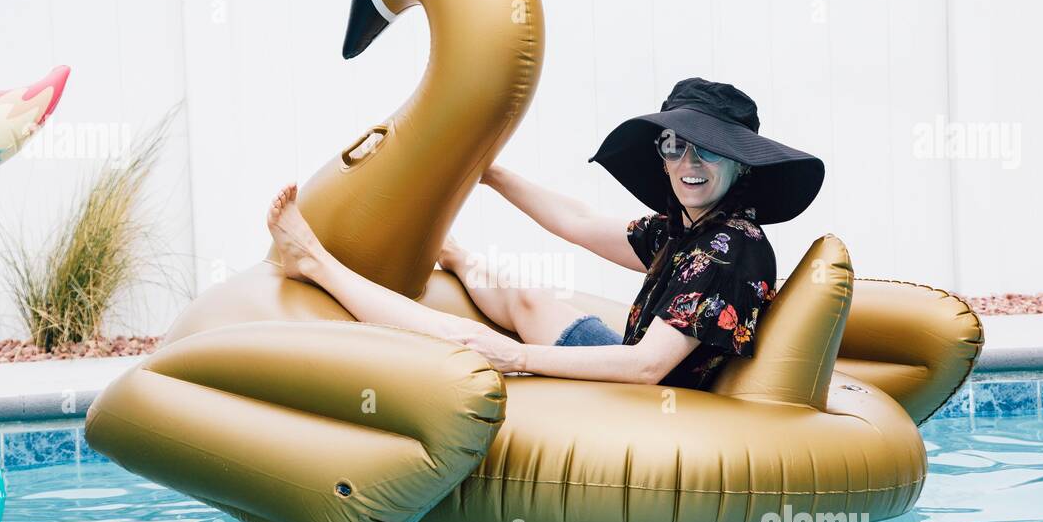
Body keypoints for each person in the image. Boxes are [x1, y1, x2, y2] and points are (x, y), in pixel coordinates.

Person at [266, 78, 824, 389]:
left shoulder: (732, 247)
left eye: (708, 149)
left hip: (652, 402)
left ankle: (313, 261)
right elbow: (577, 223)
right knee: (528, 296)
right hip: (621, 359)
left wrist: (516, 357)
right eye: (674, 146)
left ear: (742, 164)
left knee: (466, 341)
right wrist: (491, 174)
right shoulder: (688, 228)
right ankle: (456, 257)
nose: (687, 162)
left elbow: (647, 367)